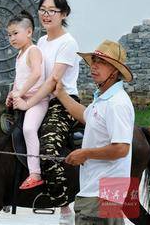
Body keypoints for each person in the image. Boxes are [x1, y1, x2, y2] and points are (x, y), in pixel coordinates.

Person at [53, 40, 135, 225]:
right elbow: (86, 115)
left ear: (114, 72)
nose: (94, 66)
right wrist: (61, 94)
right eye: (94, 60)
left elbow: (121, 148)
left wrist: (85, 153)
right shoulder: (103, 99)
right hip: (101, 190)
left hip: (100, 194)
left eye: (102, 62)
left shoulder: (116, 103)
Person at [15, 0, 79, 224]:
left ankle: (63, 206)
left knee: (49, 147)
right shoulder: (41, 42)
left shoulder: (68, 43)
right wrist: (17, 93)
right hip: (40, 99)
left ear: (64, 14)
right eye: (43, 9)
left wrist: (28, 103)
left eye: (52, 10)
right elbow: (33, 75)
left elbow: (53, 81)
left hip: (63, 102)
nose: (46, 14)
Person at [4, 11, 48, 190]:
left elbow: (37, 73)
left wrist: (20, 92)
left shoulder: (33, 51)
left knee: (29, 129)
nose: (12, 38)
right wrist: (12, 93)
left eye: (15, 33)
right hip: (22, 98)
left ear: (29, 32)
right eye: (9, 35)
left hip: (37, 100)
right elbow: (19, 78)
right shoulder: (20, 55)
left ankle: (35, 173)